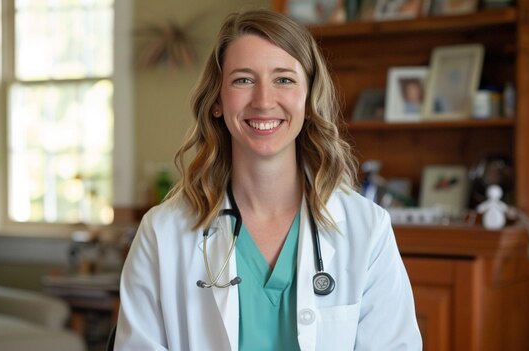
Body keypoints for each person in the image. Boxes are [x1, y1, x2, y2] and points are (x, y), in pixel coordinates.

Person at [115, 8, 421, 350]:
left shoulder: (367, 228)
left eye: (284, 79)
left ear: (308, 99)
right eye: (243, 79)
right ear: (217, 100)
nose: (263, 101)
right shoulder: (162, 233)